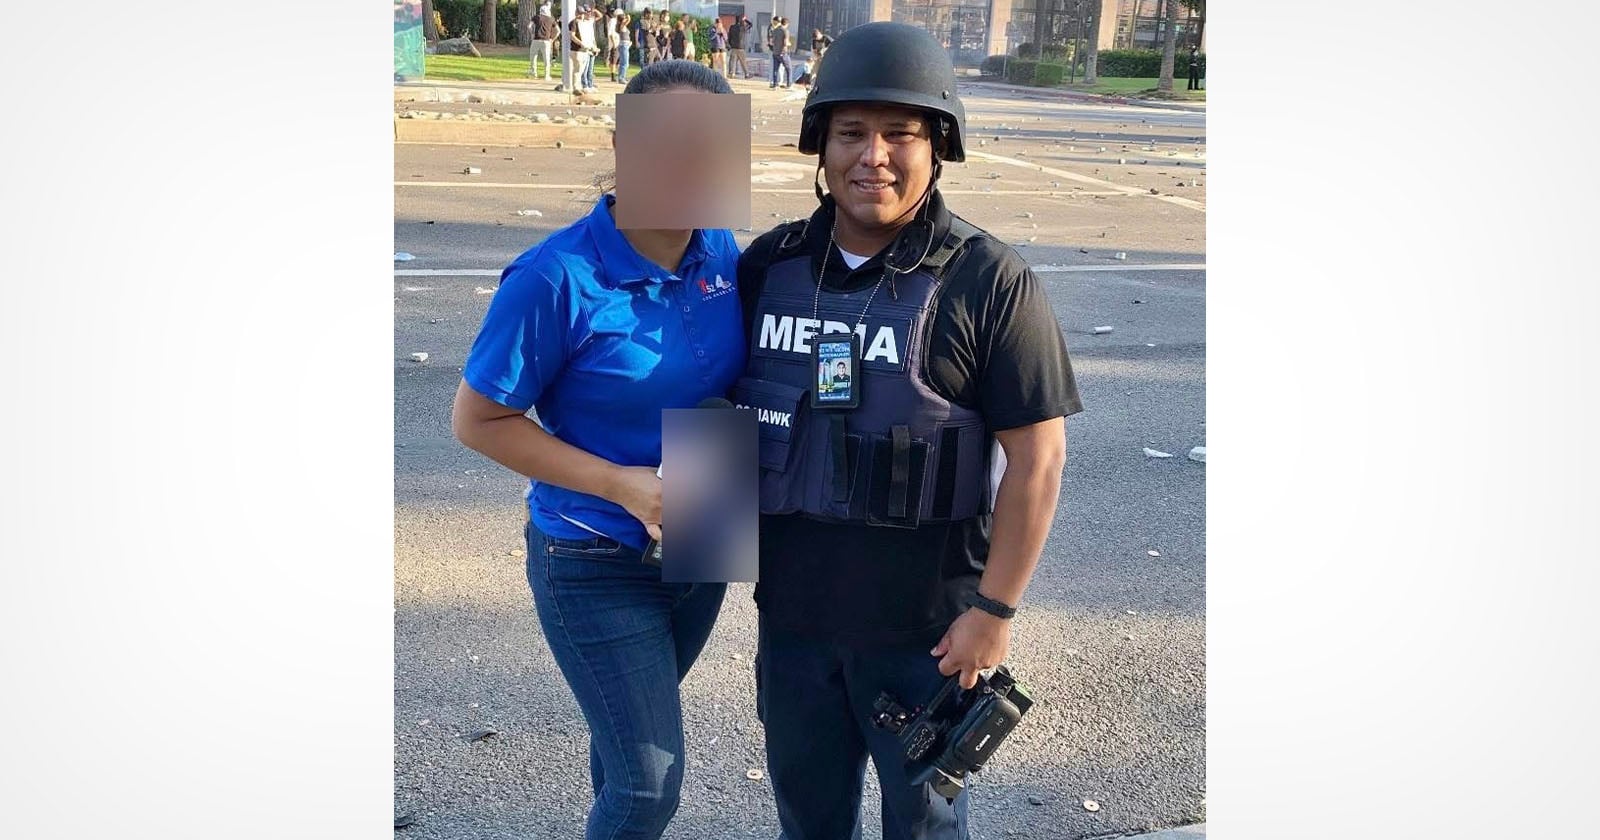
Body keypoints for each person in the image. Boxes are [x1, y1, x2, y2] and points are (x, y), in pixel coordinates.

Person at [732, 22, 1080, 840]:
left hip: (930, 636)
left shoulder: (989, 281)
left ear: (938, 147)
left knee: (925, 829)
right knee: (807, 823)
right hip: (794, 623)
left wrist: (994, 611)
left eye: (900, 134)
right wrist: (685, 577)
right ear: (820, 145)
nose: (873, 156)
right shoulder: (768, 267)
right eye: (851, 132)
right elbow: (715, 408)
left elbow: (1038, 460)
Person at [453, 59, 745, 840]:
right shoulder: (556, 277)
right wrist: (621, 484)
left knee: (624, 748)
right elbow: (478, 420)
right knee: (649, 787)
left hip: (706, 535)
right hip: (594, 555)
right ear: (621, 146)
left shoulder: (720, 251)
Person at [562, 6, 597, 94]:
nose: (581, 16)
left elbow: (589, 36)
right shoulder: (574, 22)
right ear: (576, 13)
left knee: (580, 71)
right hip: (577, 50)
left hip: (585, 50)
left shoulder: (584, 23)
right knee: (577, 70)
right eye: (579, 14)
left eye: (582, 14)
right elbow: (572, 35)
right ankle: (576, 87)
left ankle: (578, 86)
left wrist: (592, 46)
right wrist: (581, 43)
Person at [530, 4, 558, 81]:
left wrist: (532, 34)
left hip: (536, 40)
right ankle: (547, 75)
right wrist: (552, 39)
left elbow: (529, 26)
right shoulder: (551, 19)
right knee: (547, 59)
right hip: (546, 41)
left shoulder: (536, 17)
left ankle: (534, 73)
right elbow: (558, 31)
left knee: (533, 57)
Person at [768, 17, 791, 89]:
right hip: (783, 52)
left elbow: (771, 42)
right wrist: (789, 44)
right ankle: (789, 84)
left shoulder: (775, 30)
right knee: (789, 69)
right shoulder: (785, 31)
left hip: (775, 52)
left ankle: (774, 84)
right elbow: (785, 43)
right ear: (787, 24)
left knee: (775, 69)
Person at [614, 11, 633, 84]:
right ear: (622, 20)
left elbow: (627, 21)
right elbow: (629, 19)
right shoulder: (622, 25)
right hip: (624, 46)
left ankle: (622, 77)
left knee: (624, 62)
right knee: (625, 63)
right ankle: (621, 78)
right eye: (624, 18)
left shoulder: (623, 26)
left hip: (625, 45)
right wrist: (627, 16)